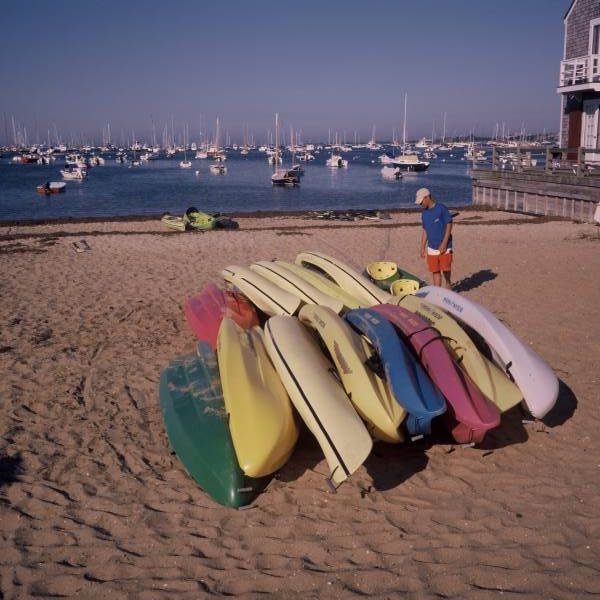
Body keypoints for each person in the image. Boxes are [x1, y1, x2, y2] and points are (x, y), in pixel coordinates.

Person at [415, 187, 453, 288]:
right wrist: (422, 247)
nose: (420, 204)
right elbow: (425, 230)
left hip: (445, 246)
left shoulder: (441, 208)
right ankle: (438, 291)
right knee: (435, 271)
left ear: (427, 197)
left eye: (421, 201)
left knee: (446, 269)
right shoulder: (424, 214)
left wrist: (444, 243)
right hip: (431, 248)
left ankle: (448, 283)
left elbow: (449, 224)